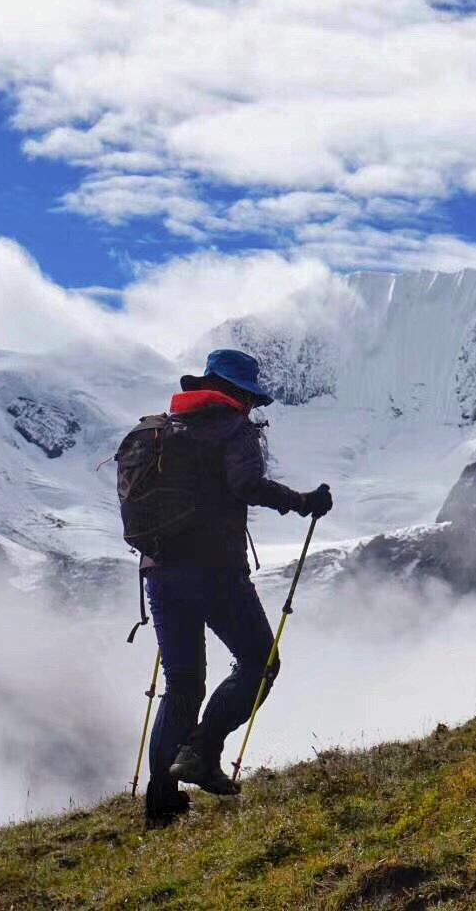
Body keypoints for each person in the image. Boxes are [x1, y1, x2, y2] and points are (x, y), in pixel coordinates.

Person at [142, 348, 333, 829]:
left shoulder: (165, 429)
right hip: (214, 572)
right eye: (248, 396)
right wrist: (302, 502)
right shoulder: (235, 428)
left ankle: (161, 805)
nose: (250, 406)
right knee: (260, 661)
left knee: (182, 683)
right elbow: (247, 483)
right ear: (237, 393)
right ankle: (203, 750)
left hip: (160, 573)